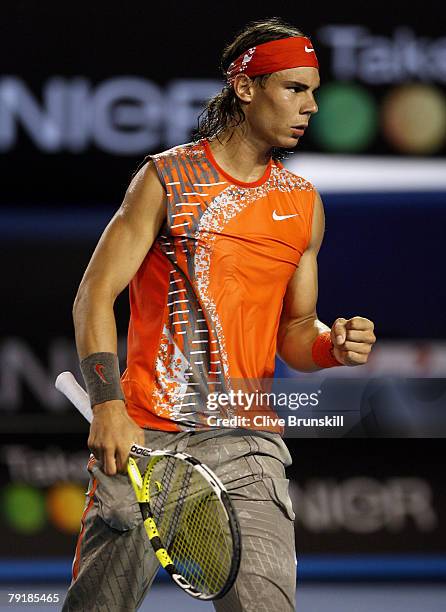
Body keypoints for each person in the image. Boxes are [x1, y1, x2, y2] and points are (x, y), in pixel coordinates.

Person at [63, 17, 376, 612]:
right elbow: (94, 296)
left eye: (314, 90)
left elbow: (294, 332)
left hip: (248, 443)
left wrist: (331, 345)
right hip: (146, 438)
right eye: (294, 88)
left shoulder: (303, 204)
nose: (311, 106)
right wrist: (107, 406)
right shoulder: (165, 178)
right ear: (245, 86)